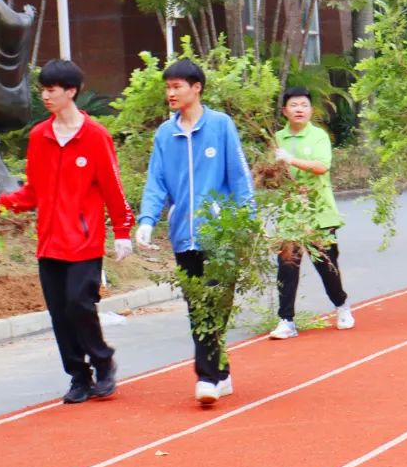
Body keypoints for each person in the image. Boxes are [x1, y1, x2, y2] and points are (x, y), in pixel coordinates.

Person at [0, 60, 134, 404]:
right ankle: (78, 377)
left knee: (79, 304)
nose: (46, 95)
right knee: (59, 314)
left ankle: (102, 360)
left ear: (71, 92)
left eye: (52, 89)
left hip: (84, 241)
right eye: (43, 89)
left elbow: (113, 187)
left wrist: (122, 231)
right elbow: (33, 191)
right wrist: (2, 205)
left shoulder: (95, 136)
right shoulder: (40, 136)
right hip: (49, 242)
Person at [136, 59, 255, 405]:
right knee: (198, 307)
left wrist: (247, 224)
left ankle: (208, 374)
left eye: (177, 87)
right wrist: (147, 219)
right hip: (184, 237)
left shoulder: (220, 126)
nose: (171, 93)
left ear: (196, 87)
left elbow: (240, 179)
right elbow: (156, 182)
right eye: (168, 87)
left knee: (217, 304)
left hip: (222, 234)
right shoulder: (164, 134)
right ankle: (216, 372)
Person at [268, 86, 355, 339]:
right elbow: (273, 175)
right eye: (294, 105)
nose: (299, 109)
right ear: (285, 111)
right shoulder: (278, 139)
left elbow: (321, 166)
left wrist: (291, 160)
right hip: (291, 213)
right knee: (287, 265)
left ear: (310, 110)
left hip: (319, 212)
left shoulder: (318, 137)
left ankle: (341, 305)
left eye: (304, 105)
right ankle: (286, 320)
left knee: (326, 265)